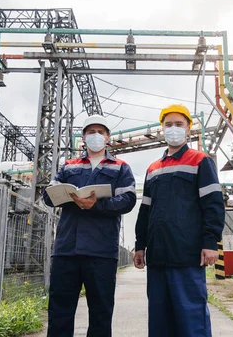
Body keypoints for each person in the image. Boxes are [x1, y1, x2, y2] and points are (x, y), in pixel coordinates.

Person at [134, 104, 225, 337]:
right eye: (168, 125)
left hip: (187, 254)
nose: (173, 129)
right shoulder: (153, 169)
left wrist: (210, 242)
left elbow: (213, 204)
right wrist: (139, 245)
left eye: (179, 124)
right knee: (159, 320)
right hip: (157, 256)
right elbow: (145, 210)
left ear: (188, 130)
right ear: (161, 129)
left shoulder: (200, 161)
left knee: (191, 318)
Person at [43, 114, 136, 337]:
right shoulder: (69, 166)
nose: (96, 136)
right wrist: (67, 196)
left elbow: (128, 200)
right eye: (91, 132)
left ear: (107, 137)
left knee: (101, 311)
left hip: (101, 250)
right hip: (67, 249)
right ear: (83, 137)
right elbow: (48, 196)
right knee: (59, 311)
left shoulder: (120, 167)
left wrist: (96, 205)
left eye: (100, 132)